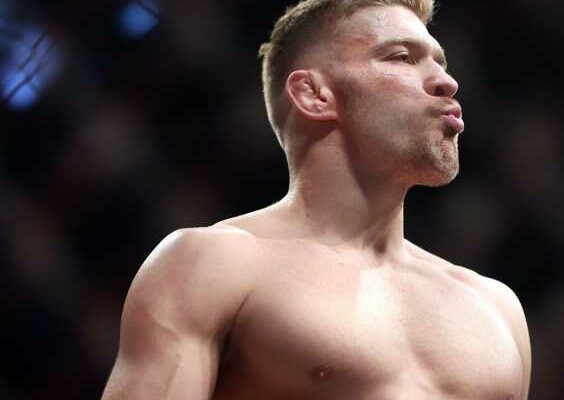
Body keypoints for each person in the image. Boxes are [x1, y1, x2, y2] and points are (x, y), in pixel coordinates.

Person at [101, 0, 531, 399]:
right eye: (401, 57)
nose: (446, 81)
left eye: (440, 62)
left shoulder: (496, 308)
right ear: (314, 94)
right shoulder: (212, 265)